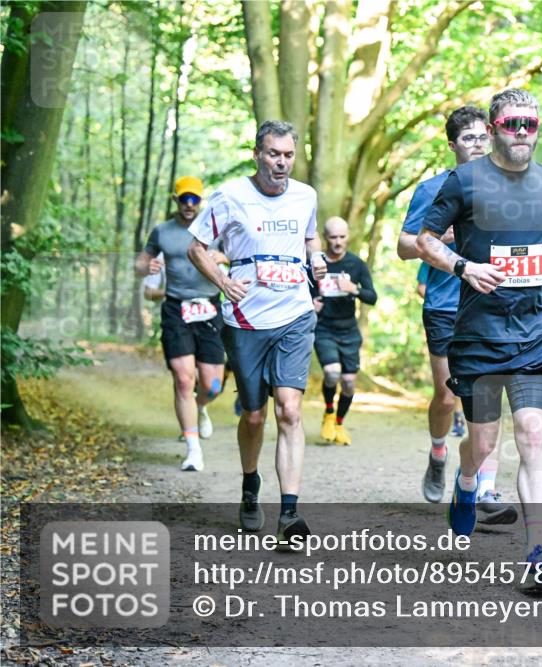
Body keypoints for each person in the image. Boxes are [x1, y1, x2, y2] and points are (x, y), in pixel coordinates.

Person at [416, 89, 542, 592]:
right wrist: (464, 266)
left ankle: (536, 551)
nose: (523, 132)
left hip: (537, 330)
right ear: (494, 127)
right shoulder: (464, 180)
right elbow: (426, 240)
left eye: (531, 124)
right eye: (513, 123)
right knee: (483, 442)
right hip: (479, 334)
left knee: (533, 435)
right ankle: (467, 483)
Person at [187, 120, 326, 542]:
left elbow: (311, 238)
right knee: (254, 414)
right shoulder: (230, 196)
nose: (280, 163)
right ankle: (251, 487)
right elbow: (197, 247)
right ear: (256, 154)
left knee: (289, 409)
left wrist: (316, 261)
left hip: (295, 313)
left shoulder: (306, 196)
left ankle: (289, 513)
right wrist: (223, 282)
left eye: (287, 155)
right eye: (272, 154)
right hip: (245, 318)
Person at [397, 105, 517, 525]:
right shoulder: (432, 188)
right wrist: (445, 237)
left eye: (482, 137)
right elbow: (404, 244)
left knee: (488, 398)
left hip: (492, 307)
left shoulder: (508, 185)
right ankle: (438, 451)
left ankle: (484, 487)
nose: (478, 145)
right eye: (467, 139)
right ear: (452, 145)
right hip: (446, 305)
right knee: (448, 397)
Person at [134, 176, 228, 472]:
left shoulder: (215, 230)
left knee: (212, 385)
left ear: (201, 201)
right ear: (176, 200)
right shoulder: (162, 231)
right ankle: (193, 448)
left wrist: (223, 256)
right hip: (176, 309)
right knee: (184, 378)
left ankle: (201, 407)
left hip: (209, 309)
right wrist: (144, 267)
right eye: (184, 199)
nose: (189, 205)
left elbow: (239, 256)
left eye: (194, 199)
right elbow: (140, 263)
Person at [310, 216, 377, 445]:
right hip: (324, 329)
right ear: (325, 238)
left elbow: (372, 297)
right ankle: (328, 413)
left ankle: (338, 422)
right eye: (333, 237)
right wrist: (311, 305)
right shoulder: (316, 264)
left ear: (348, 237)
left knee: (348, 382)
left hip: (348, 331)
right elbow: (304, 293)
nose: (338, 242)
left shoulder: (356, 265)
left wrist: (354, 289)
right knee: (331, 373)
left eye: (342, 237)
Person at [417, 261, 466, 437]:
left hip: (472, 312)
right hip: (440, 313)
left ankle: (459, 417)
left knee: (464, 378)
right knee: (447, 391)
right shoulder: (431, 251)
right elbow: (421, 287)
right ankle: (438, 448)